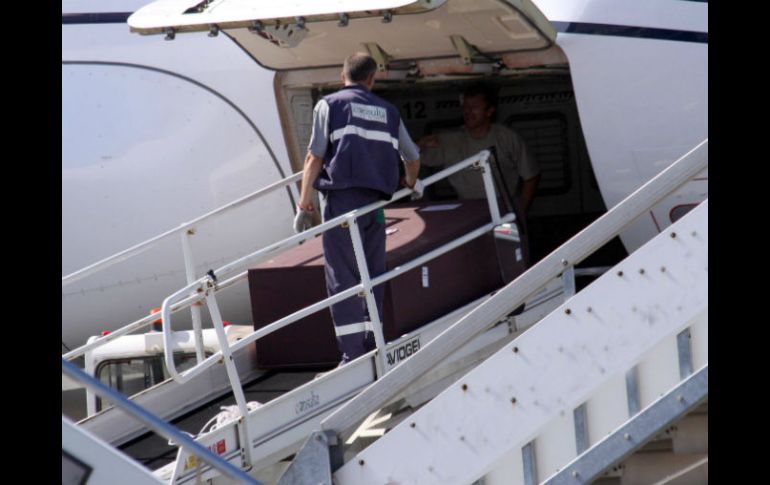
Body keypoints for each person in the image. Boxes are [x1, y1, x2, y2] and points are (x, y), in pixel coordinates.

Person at [293, 53, 421, 365]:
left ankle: (353, 353)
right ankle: (373, 340)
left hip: (342, 204)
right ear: (372, 79)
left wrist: (303, 201)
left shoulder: (330, 105)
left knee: (343, 276)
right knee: (373, 273)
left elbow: (314, 157)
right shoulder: (388, 111)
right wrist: (411, 182)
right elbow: (413, 156)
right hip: (376, 205)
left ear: (342, 76)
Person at [418, 83, 540, 219]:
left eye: (474, 107)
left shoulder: (507, 137)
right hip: (467, 213)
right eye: (465, 107)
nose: (468, 112)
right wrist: (418, 145)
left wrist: (520, 213)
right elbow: (411, 158)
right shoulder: (449, 141)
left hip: (505, 211)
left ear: (489, 111)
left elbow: (531, 176)